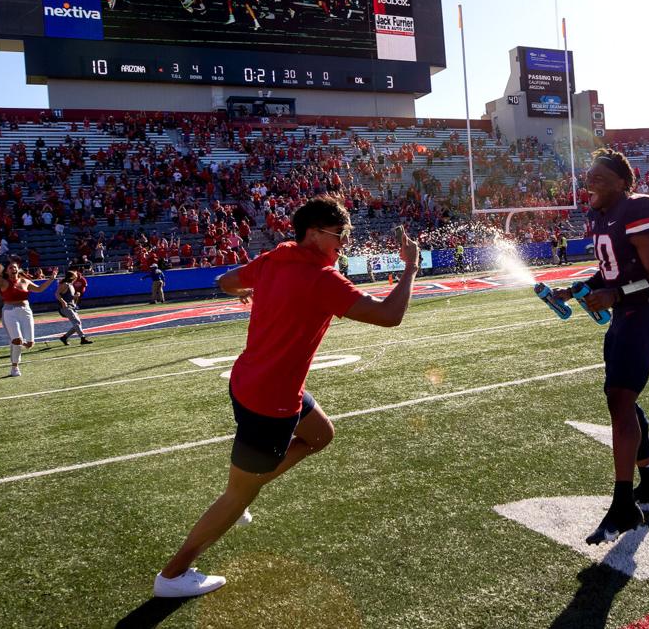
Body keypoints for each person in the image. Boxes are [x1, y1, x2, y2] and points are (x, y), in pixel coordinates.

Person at [153, 197, 421, 598]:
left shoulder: (275, 259)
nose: (343, 245)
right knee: (236, 492)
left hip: (249, 382)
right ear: (313, 234)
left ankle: (247, 491)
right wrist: (410, 268)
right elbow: (389, 316)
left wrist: (247, 289)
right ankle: (173, 575)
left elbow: (226, 282)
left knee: (321, 435)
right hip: (270, 400)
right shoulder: (321, 278)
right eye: (338, 236)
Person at [550, 149, 649, 546]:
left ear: (623, 182)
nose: (591, 184)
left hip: (646, 314)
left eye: (601, 178)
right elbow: (608, 271)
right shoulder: (600, 216)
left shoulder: (637, 208)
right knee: (624, 402)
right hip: (626, 316)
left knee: (620, 401)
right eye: (589, 178)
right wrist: (577, 289)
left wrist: (614, 296)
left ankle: (623, 502)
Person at [0, 246, 57, 377]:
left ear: (18, 269)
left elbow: (40, 289)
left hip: (25, 311)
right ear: (7, 271)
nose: (13, 269)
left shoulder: (25, 281)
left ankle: (16, 343)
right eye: (10, 267)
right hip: (9, 311)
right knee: (17, 340)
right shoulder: (3, 282)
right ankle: (14, 366)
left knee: (30, 344)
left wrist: (51, 278)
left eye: (15, 267)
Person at [56, 270, 92, 346]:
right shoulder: (65, 284)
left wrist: (75, 297)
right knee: (77, 323)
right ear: (72, 276)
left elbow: (71, 298)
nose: (77, 275)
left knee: (78, 324)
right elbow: (56, 294)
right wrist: (63, 302)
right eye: (75, 274)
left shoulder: (71, 285)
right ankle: (83, 338)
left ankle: (64, 337)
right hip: (65, 307)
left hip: (71, 306)